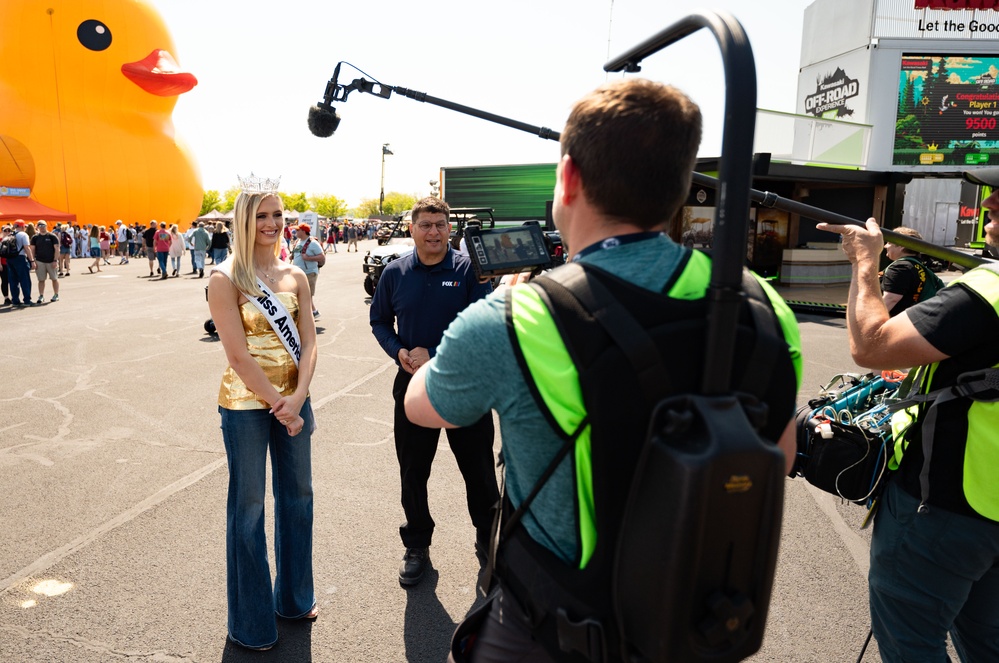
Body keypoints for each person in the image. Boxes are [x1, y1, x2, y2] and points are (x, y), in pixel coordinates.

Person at [403, 79, 802, 662]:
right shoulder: (763, 304)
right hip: (692, 621)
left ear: (568, 179)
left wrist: (487, 319)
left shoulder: (517, 317)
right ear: (679, 184)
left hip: (551, 627)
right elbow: (779, 453)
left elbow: (423, 406)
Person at [816, 169, 999, 663]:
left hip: (946, 506)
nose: (989, 205)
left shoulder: (989, 290)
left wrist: (863, 263)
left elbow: (871, 346)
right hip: (987, 511)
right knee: (988, 643)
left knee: (911, 642)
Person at [206, 187, 319, 652]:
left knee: (298, 499)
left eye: (277, 215)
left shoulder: (295, 275)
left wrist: (299, 399)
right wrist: (280, 403)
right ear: (244, 221)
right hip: (247, 406)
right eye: (262, 216)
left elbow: (310, 343)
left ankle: (294, 599)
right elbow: (236, 354)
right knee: (248, 510)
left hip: (294, 401)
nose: (271, 223)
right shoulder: (226, 277)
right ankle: (251, 623)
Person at [370, 196, 500, 588]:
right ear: (412, 229)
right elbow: (378, 321)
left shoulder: (469, 271)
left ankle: (489, 543)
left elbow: (485, 328)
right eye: (425, 225)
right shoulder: (394, 273)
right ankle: (417, 545)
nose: (433, 232)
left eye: (440, 225)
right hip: (412, 385)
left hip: (464, 384)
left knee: (478, 471)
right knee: (413, 470)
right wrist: (399, 352)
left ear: (449, 229)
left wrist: (437, 353)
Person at [881, 226, 943, 317]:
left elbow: (890, 299)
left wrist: (867, 324)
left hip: (897, 324)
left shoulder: (899, 268)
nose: (885, 246)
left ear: (901, 246)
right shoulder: (917, 266)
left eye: (889, 242)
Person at [291, 223, 323, 318]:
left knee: (306, 295)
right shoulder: (298, 241)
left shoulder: (313, 243)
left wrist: (308, 258)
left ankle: (311, 313)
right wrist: (292, 256)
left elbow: (321, 256)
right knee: (303, 294)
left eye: (297, 230)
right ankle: (313, 312)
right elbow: (297, 253)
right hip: (298, 273)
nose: (295, 232)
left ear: (303, 231)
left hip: (309, 272)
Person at [5, 220, 37, 307]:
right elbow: (27, 248)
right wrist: (32, 261)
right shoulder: (23, 235)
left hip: (10, 259)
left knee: (13, 281)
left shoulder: (9, 235)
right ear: (22, 226)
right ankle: (27, 300)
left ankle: (15, 300)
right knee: (25, 279)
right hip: (20, 258)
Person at [30, 220, 60, 302]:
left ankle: (56, 294)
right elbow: (32, 249)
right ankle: (41, 296)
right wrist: (33, 260)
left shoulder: (52, 236)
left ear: (46, 226)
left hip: (51, 261)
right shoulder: (35, 237)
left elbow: (57, 249)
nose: (42, 227)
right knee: (41, 280)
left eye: (43, 226)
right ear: (37, 227)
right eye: (40, 226)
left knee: (54, 278)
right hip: (39, 261)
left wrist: (55, 260)